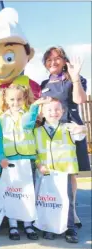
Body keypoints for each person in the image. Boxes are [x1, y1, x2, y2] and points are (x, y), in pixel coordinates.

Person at [40, 46, 90, 228]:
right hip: (50, 133)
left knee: (70, 172)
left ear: (64, 60)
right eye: (48, 60)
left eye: (57, 58)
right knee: (51, 171)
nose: (53, 62)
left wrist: (75, 79)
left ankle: (72, 211)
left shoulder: (74, 78)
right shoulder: (44, 84)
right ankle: (53, 208)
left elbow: (79, 100)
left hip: (70, 130)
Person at [0, 84, 50, 241]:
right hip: (9, 161)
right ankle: (13, 225)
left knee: (27, 194)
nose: (15, 102)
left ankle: (28, 224)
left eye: (19, 99)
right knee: (11, 193)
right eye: (12, 99)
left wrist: (34, 107)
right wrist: (1, 157)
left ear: (25, 99)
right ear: (5, 99)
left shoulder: (28, 114)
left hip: (26, 161)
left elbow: (28, 123)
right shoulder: (2, 118)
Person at [34, 98, 87, 243]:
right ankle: (49, 227)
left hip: (65, 173)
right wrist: (39, 165)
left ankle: (70, 228)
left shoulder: (69, 128)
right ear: (43, 113)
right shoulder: (37, 132)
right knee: (48, 201)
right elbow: (35, 153)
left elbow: (81, 133)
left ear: (63, 111)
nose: (53, 112)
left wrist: (82, 128)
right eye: (49, 110)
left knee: (67, 201)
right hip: (47, 173)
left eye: (57, 109)